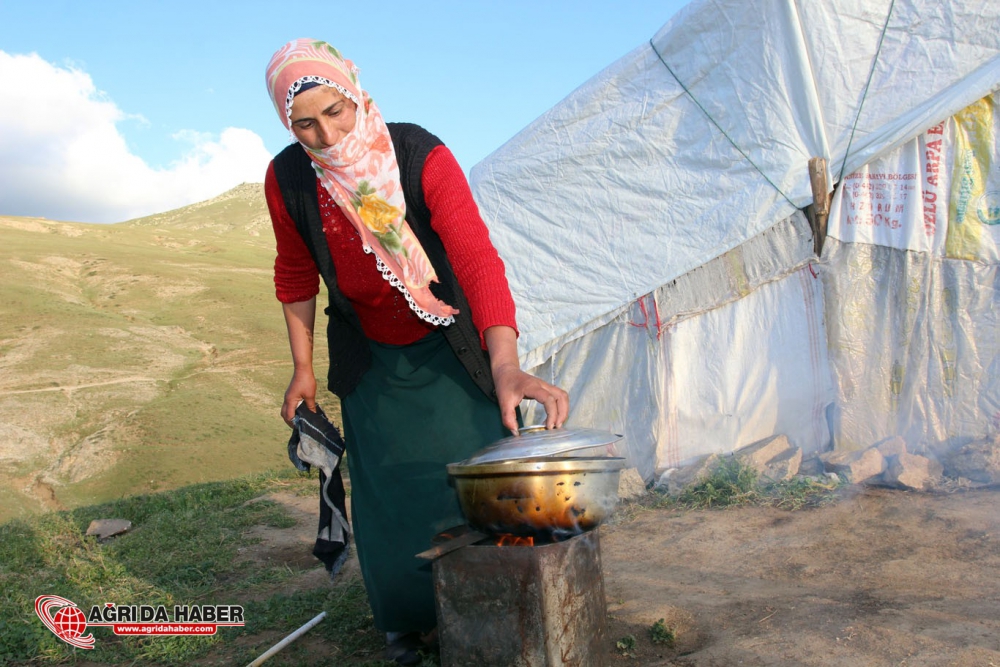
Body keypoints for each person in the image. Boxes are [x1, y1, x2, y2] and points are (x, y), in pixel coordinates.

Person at [263, 39, 569, 664]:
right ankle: (407, 623)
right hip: (370, 359)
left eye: (335, 112)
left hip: (450, 348)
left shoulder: (416, 154)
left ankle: (498, 611)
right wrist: (302, 369)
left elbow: (476, 258)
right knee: (389, 496)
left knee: (480, 482)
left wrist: (505, 366)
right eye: (305, 124)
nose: (326, 135)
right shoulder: (289, 178)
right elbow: (295, 274)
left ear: (356, 95)